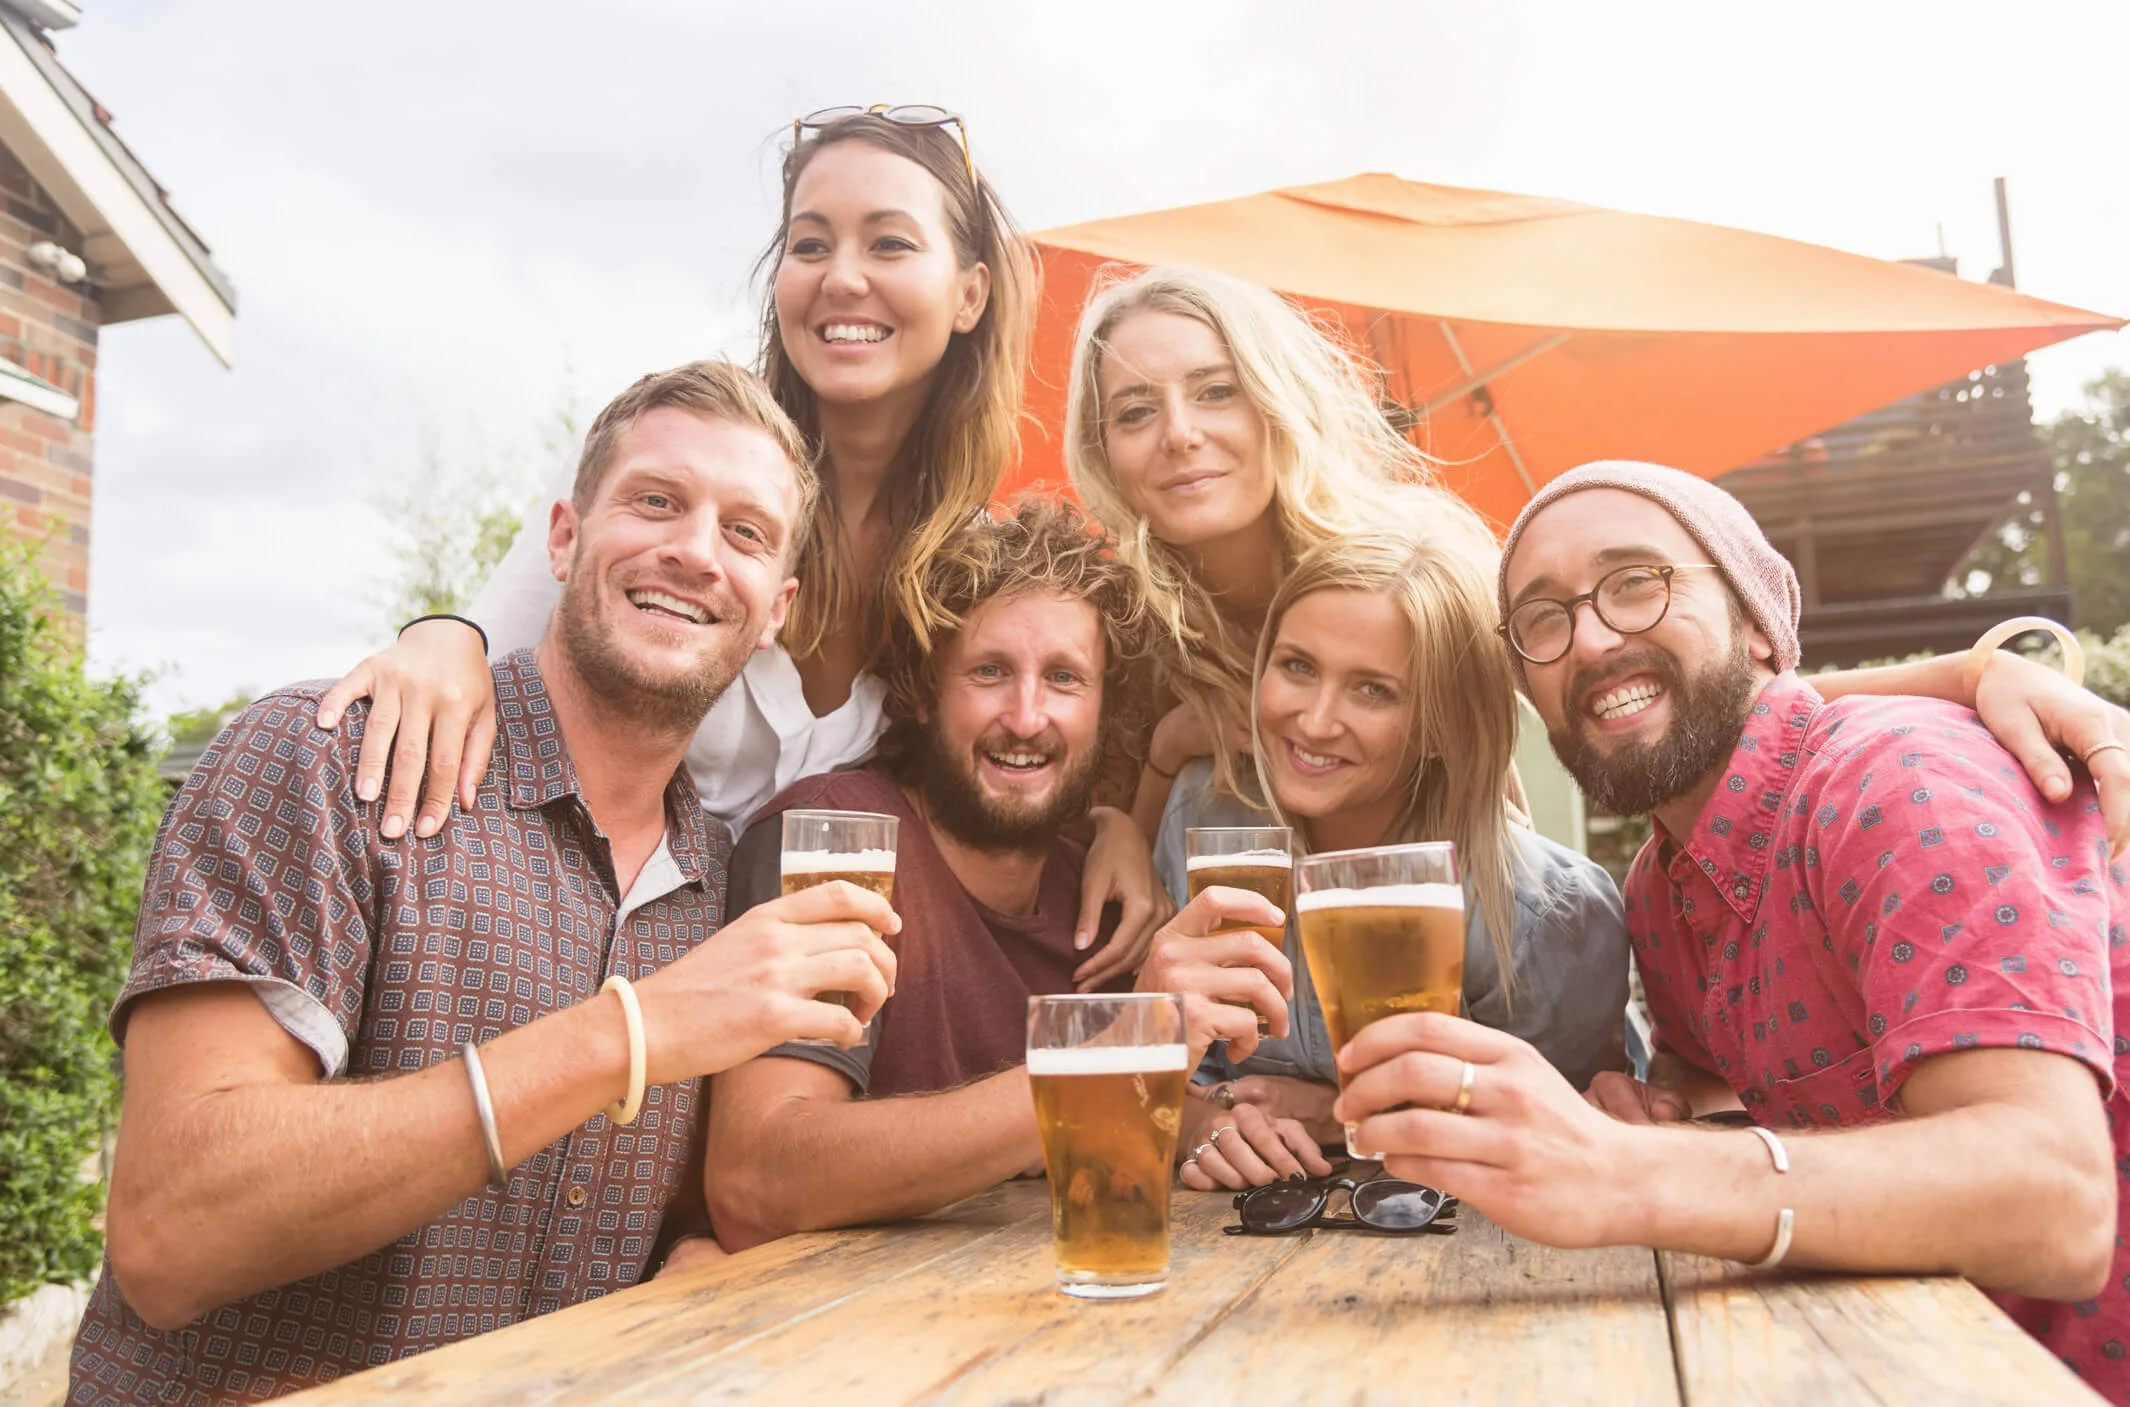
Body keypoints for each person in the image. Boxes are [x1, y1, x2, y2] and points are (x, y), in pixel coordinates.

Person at [68, 362, 902, 1405]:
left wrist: (688, 1260)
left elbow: (670, 1214)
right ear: (562, 538)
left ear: (775, 609)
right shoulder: (327, 759)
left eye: (744, 532)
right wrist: (628, 1033)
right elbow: (169, 1228)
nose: (694, 551)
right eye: (656, 501)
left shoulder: (715, 891)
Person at [1337, 460, 2129, 1403]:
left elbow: (2060, 1200)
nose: (1589, 639)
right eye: (1543, 620)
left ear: (1758, 623)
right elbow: (1702, 1082)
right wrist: (1654, 1115)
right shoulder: (1662, 888)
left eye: (1637, 583)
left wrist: (1635, 1172)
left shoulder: (1893, 782)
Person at [318, 107, 1166, 988]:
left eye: (888, 245)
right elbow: (472, 648)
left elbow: (991, 764)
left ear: (970, 294)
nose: (842, 278)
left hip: (786, 1023)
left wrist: (1111, 828)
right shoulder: (679, 472)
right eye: (809, 245)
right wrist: (435, 640)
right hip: (554, 963)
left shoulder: (969, 565)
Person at [1064, 264, 2130, 853]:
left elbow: (1660, 698)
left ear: (1276, 394)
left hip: (1472, 956)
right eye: (1135, 410)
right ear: (1101, 446)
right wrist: (1135, 802)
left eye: (1215, 390)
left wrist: (1970, 674)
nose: (1181, 434)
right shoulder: (1117, 614)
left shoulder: (1410, 564)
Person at [702, 498, 1324, 1252]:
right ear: (928, 692)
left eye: (1064, 678)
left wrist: (1207, 1125)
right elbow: (756, 1181)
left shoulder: (1100, 902)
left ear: (1104, 708)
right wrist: (1117, 1053)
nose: (1027, 717)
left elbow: (1127, 1113)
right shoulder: (841, 845)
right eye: (990, 671)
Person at [1148, 528, 1629, 1190]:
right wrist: (1203, 1122)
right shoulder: (1205, 819)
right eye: (1297, 666)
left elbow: (1580, 1128)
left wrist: (1335, 1110)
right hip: (1235, 1243)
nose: (1314, 721)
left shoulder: (1546, 912)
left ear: (1439, 724)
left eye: (1373, 690)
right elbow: (1170, 1079)